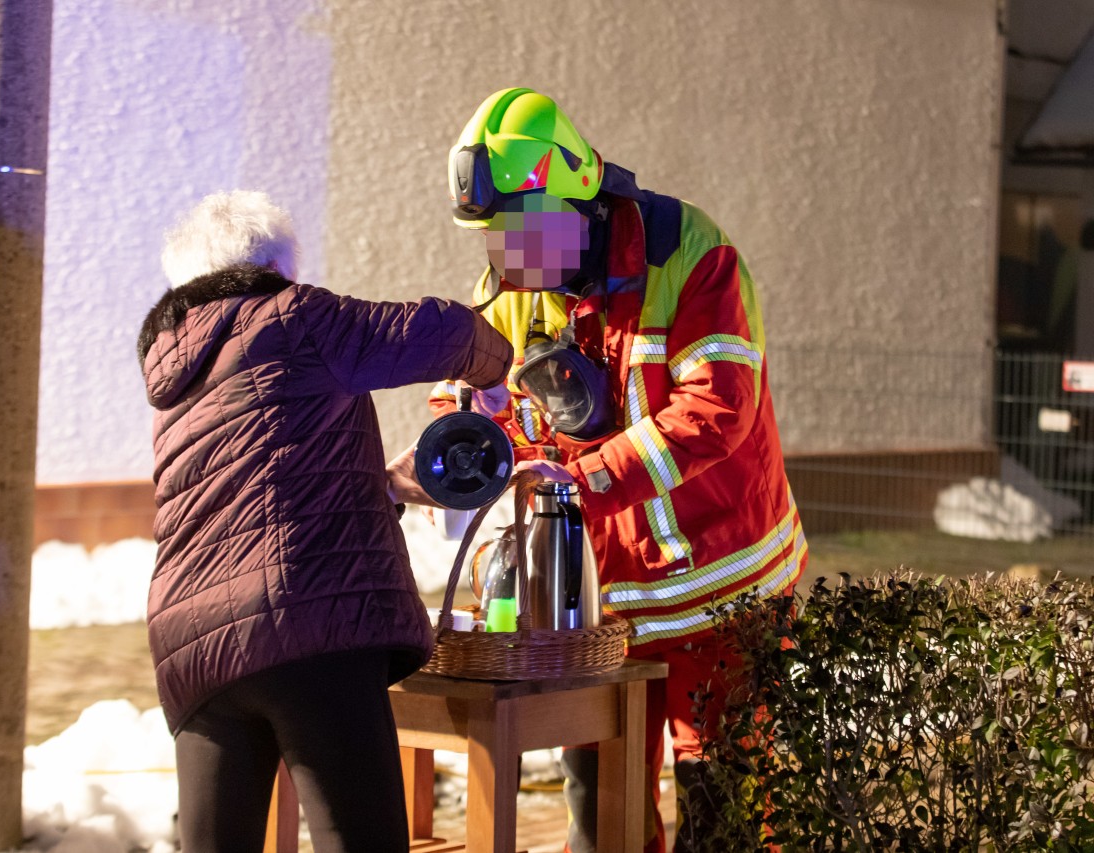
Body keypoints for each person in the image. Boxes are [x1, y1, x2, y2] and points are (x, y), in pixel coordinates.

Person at [431, 88, 809, 853]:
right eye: (492, 237)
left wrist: (586, 479)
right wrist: (455, 443)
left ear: (576, 198)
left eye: (519, 233)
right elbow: (472, 394)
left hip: (723, 594)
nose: (505, 258)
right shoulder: (513, 289)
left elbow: (718, 411)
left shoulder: (692, 257)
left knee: (726, 811)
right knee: (603, 817)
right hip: (599, 617)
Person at [138, 189, 512, 853]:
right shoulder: (296, 315)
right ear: (278, 268)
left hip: (193, 645)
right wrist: (499, 363)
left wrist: (381, 487)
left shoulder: (174, 367)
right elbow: (444, 332)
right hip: (308, 625)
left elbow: (252, 483)